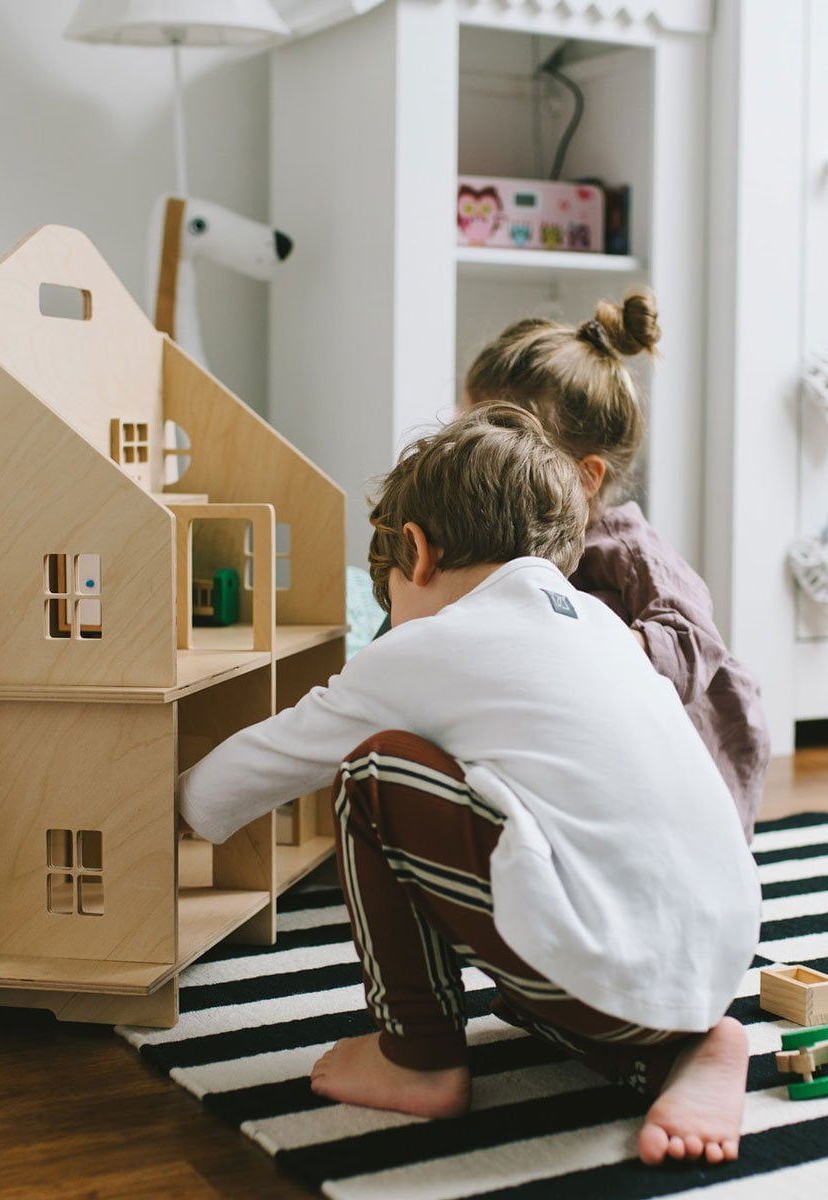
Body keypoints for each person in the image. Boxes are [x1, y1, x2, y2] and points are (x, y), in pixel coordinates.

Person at [178, 404, 760, 1167]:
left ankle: (416, 1056)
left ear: (415, 553)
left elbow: (254, 770)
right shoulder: (599, 627)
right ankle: (682, 1050)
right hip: (712, 959)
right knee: (520, 964)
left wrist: (167, 797)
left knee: (374, 769)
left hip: (609, 972)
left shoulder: (427, 647)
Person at [375, 291, 769, 838]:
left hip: (666, 770)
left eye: (497, 449)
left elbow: (693, 642)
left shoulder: (627, 550)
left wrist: (585, 640)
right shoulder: (493, 543)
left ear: (584, 478)